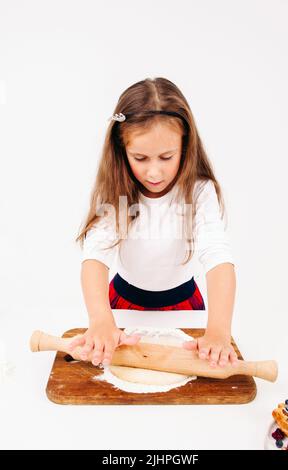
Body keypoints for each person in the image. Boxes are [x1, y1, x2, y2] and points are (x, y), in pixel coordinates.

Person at [69, 77, 238, 370]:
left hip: (186, 308)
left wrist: (219, 332)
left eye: (166, 156)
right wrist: (100, 320)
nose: (154, 171)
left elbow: (218, 256)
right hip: (121, 307)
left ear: (186, 145)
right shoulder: (117, 191)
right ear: (122, 150)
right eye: (140, 158)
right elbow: (94, 256)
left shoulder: (199, 191)